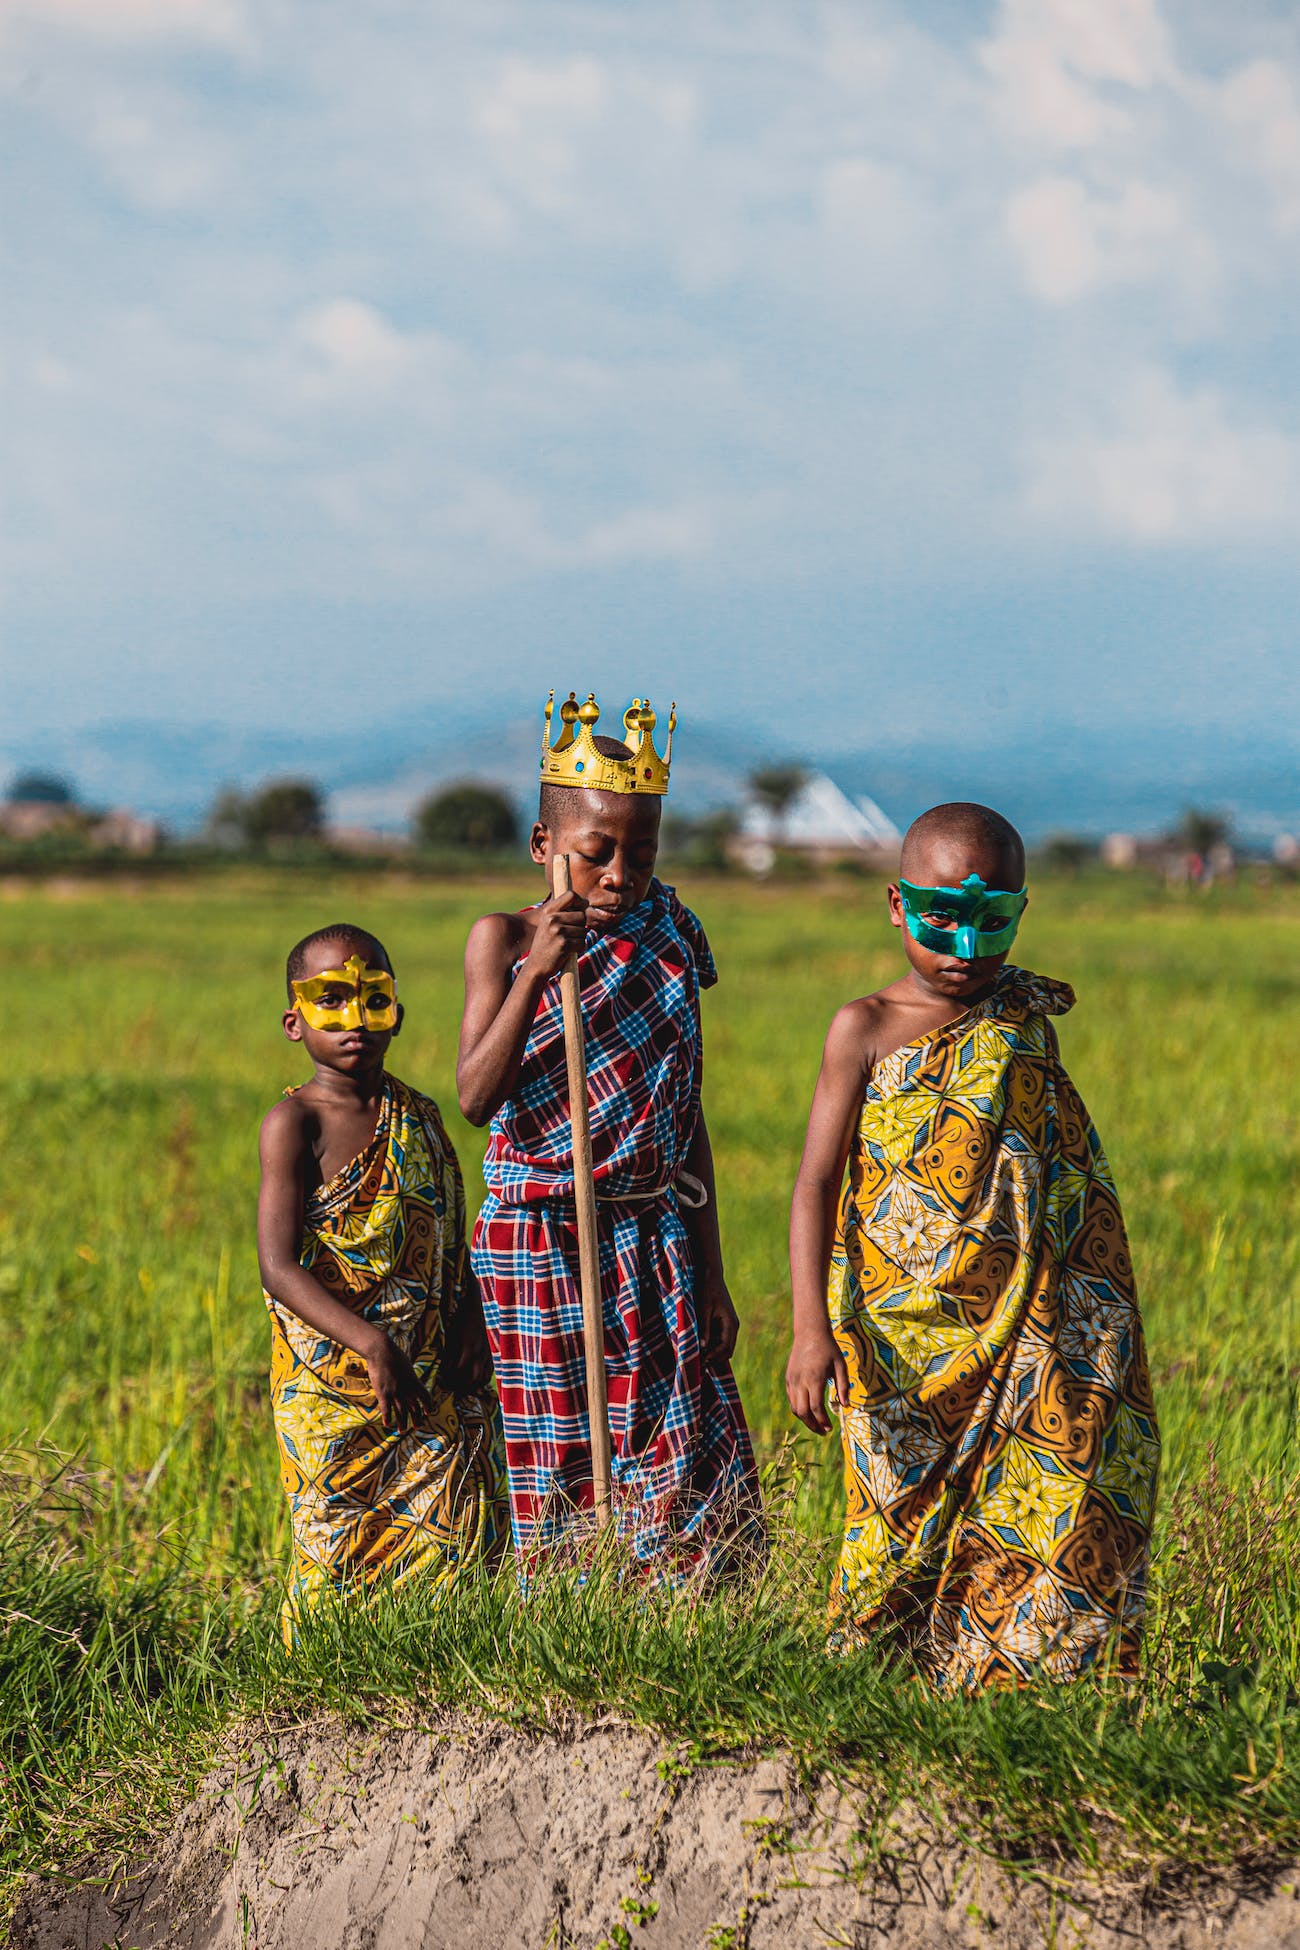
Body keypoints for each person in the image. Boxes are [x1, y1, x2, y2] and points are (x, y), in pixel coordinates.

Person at [787, 804, 1160, 1688]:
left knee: (1062, 1493)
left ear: (1021, 913)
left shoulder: (1024, 1022)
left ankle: (1027, 1694)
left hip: (1038, 1331)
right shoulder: (865, 1027)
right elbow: (814, 1184)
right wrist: (811, 1328)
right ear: (895, 904)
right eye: (939, 916)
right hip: (900, 1339)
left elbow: (1056, 1182)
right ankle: (879, 1693)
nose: (965, 944)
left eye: (993, 920)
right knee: (897, 1533)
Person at [459, 691, 763, 1575]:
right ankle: (559, 1630)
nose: (620, 875)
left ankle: (668, 1629)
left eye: (643, 852)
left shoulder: (665, 938)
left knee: (673, 1453)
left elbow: (686, 1116)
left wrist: (711, 1270)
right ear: (543, 846)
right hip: (540, 1239)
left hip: (653, 1231)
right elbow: (477, 1096)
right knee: (554, 1454)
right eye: (597, 853)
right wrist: (537, 974)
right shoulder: (503, 937)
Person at [258, 922, 506, 1642]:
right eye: (331, 999)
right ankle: (322, 1694)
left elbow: (450, 1240)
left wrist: (469, 1323)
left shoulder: (420, 1118)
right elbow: (278, 1266)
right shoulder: (292, 1123)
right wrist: (371, 1345)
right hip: (333, 1387)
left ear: (396, 1009)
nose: (355, 1020)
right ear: (293, 1021)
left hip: (424, 1379)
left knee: (450, 1542)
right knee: (335, 1553)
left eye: (373, 998)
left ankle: (440, 1679)